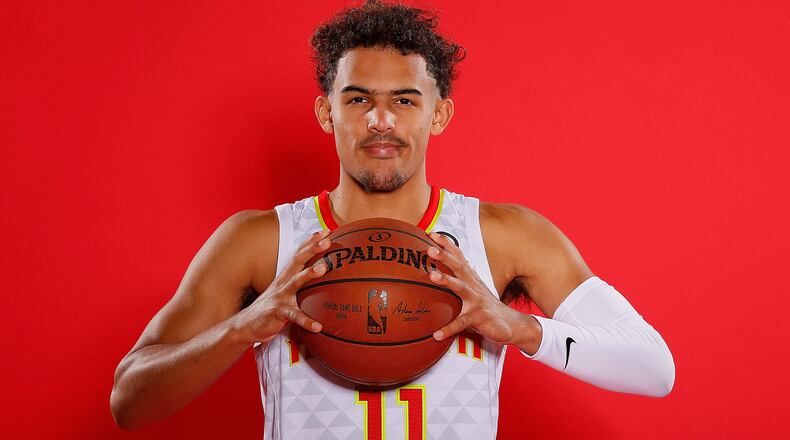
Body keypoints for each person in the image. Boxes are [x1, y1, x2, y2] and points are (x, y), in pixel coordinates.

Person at [110, 1, 675, 438]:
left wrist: (519, 328)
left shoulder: (503, 238)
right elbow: (129, 401)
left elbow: (654, 367)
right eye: (357, 100)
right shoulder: (260, 241)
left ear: (440, 114)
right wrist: (244, 327)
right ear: (326, 111)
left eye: (405, 100)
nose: (381, 120)